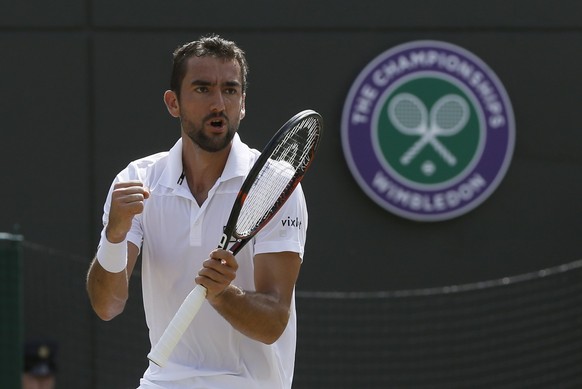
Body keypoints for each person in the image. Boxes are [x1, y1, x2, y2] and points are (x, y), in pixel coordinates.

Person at [86, 34, 308, 389]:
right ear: (173, 103)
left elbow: (273, 323)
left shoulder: (276, 185)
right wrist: (113, 239)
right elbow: (107, 306)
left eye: (231, 90)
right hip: (163, 382)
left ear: (243, 102)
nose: (219, 103)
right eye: (203, 89)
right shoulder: (138, 179)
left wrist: (224, 294)